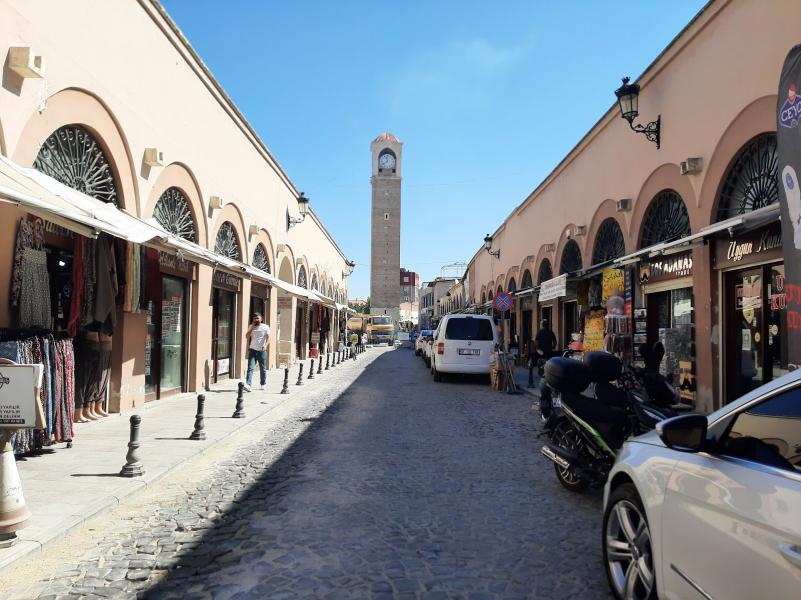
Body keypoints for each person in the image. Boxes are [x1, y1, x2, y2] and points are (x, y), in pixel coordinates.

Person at [244, 312, 270, 392]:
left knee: (263, 368)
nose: (256, 320)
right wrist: (252, 328)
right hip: (252, 350)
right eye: (255, 318)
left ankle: (263, 383)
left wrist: (265, 345)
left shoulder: (265, 327)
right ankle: (248, 385)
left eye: (258, 318)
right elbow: (247, 336)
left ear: (261, 319)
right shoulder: (251, 326)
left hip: (262, 351)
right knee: (250, 368)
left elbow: (269, 337)